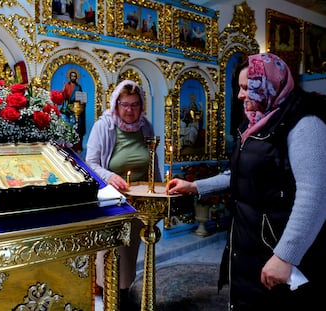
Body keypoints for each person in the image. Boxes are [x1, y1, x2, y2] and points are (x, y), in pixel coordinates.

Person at [166, 53, 326, 310]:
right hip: (248, 240)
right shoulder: (256, 122)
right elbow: (240, 174)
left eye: (245, 88)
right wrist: (195, 186)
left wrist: (285, 255)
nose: (240, 95)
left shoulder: (305, 124)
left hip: (275, 245)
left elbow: (315, 196)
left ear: (269, 84)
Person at [86, 79, 161, 309]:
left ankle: (124, 298)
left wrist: (158, 191)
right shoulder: (104, 126)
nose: (130, 110)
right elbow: (90, 163)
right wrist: (109, 176)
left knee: (129, 255)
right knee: (111, 255)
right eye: (125, 104)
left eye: (135, 105)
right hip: (112, 201)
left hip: (140, 202)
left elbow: (153, 160)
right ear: (116, 104)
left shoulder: (145, 126)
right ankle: (111, 299)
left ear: (142, 106)